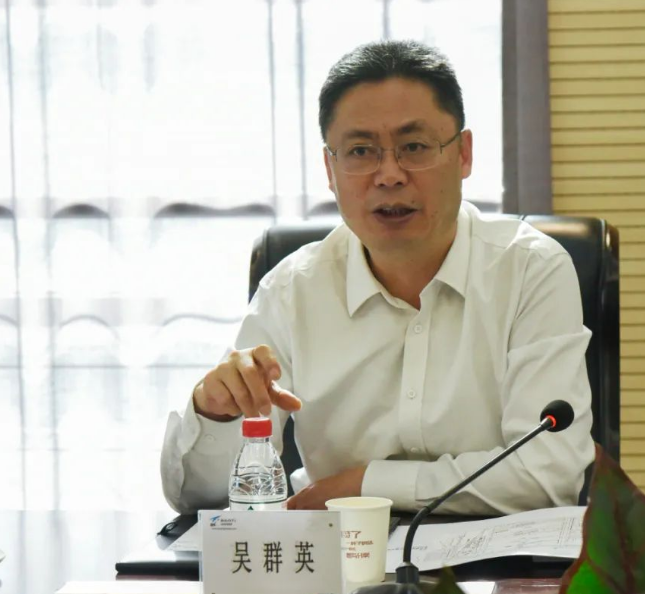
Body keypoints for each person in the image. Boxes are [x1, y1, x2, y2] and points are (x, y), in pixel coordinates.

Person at [160, 39, 594, 516]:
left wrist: (363, 485)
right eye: (360, 151)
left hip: (497, 559)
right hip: (333, 556)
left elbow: (548, 474)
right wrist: (214, 413)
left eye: (414, 147)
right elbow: (199, 499)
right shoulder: (292, 290)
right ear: (330, 169)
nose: (389, 175)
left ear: (464, 154)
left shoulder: (530, 269)